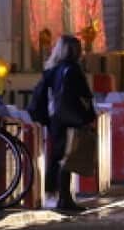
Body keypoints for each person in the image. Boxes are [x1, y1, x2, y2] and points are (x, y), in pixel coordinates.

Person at [28, 35, 95, 211]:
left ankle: (54, 193)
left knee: (58, 156)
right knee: (68, 157)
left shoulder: (52, 70)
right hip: (71, 118)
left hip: (55, 118)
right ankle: (64, 198)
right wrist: (88, 118)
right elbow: (84, 96)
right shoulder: (73, 69)